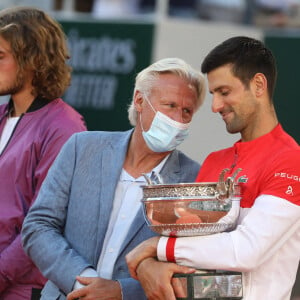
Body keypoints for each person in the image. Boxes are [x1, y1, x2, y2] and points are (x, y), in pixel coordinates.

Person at [126, 36, 300, 300]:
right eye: (213, 94)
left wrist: (158, 248)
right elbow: (189, 250)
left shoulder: (290, 160)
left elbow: (247, 250)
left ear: (258, 85)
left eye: (224, 92)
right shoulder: (214, 162)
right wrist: (149, 264)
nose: (215, 106)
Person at [21, 57, 206, 300]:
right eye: (169, 105)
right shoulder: (82, 148)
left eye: (187, 111)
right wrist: (83, 283)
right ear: (140, 100)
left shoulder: (194, 180)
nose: (178, 120)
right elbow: (38, 226)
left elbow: (191, 271)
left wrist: (120, 292)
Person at [0, 6, 87, 300]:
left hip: (25, 290)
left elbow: (43, 223)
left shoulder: (65, 127)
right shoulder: (2, 114)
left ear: (32, 60)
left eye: (1, 56)